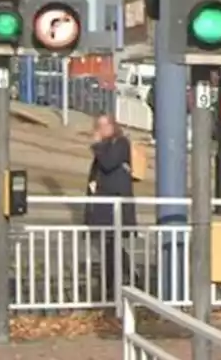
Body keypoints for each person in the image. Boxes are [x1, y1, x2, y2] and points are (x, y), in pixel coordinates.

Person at [85, 113, 137, 300]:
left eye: (105, 125)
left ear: (113, 126)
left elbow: (108, 164)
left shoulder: (119, 143)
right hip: (102, 206)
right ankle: (117, 281)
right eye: (98, 126)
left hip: (114, 206)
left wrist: (97, 145)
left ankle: (119, 282)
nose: (101, 130)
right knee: (108, 247)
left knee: (111, 246)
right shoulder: (106, 146)